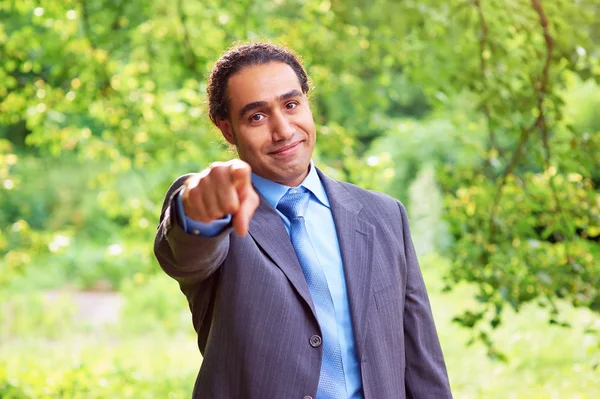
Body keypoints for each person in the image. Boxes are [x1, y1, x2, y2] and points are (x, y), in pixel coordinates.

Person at [154, 42, 452, 399]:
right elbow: (186, 251)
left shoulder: (384, 216)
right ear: (228, 131)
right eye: (257, 116)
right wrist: (197, 207)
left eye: (291, 105)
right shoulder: (221, 211)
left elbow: (421, 362)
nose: (282, 130)